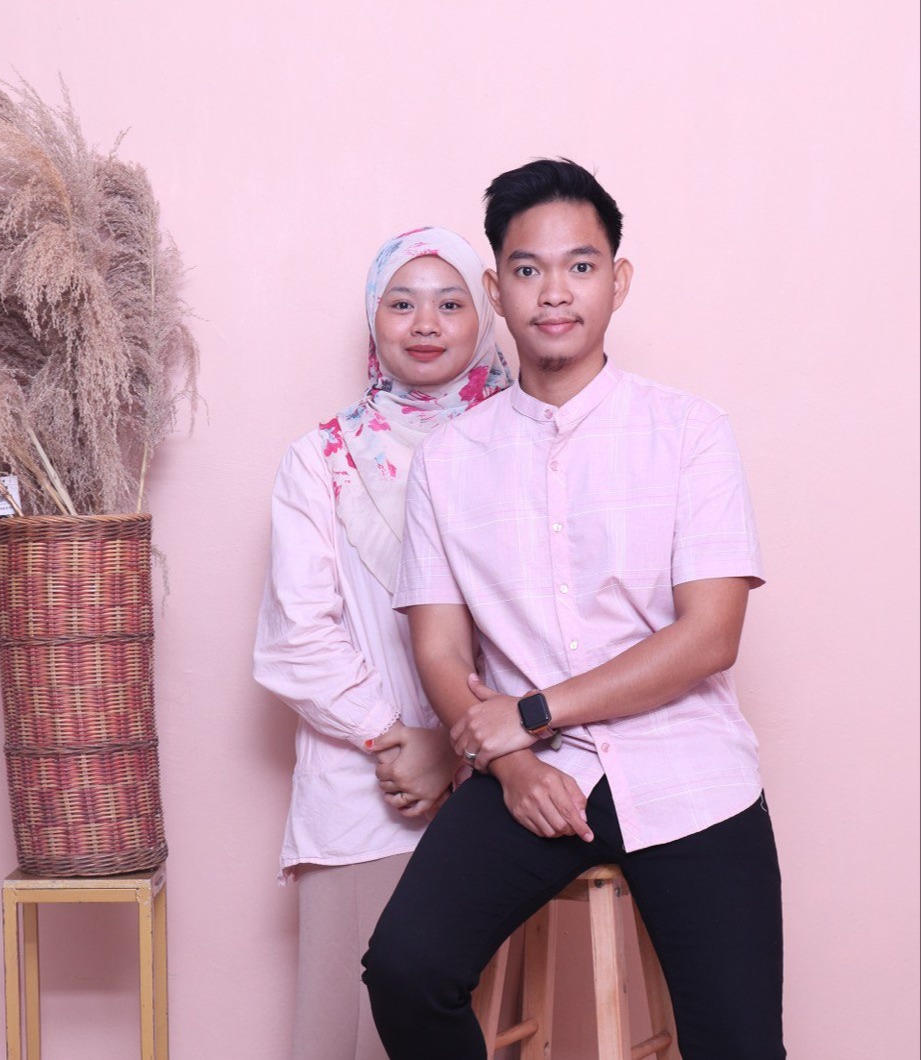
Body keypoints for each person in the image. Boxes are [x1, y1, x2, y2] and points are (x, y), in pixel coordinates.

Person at [362, 160, 785, 1059]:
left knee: (740, 1045)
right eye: (527, 269)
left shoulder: (690, 433)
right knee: (404, 970)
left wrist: (530, 714)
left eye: (580, 266)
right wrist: (514, 764)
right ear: (496, 290)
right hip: (532, 775)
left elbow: (710, 637)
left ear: (616, 281)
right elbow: (439, 650)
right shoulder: (450, 461)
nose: (553, 292)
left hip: (687, 770)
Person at [253, 226, 511, 1060]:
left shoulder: (524, 447)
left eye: (449, 303)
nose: (425, 323)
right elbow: (298, 635)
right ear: (374, 319)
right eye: (401, 303)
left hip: (510, 786)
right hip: (370, 789)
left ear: (485, 318)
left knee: (498, 1028)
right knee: (352, 1034)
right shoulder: (321, 459)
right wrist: (401, 742)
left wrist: (462, 748)